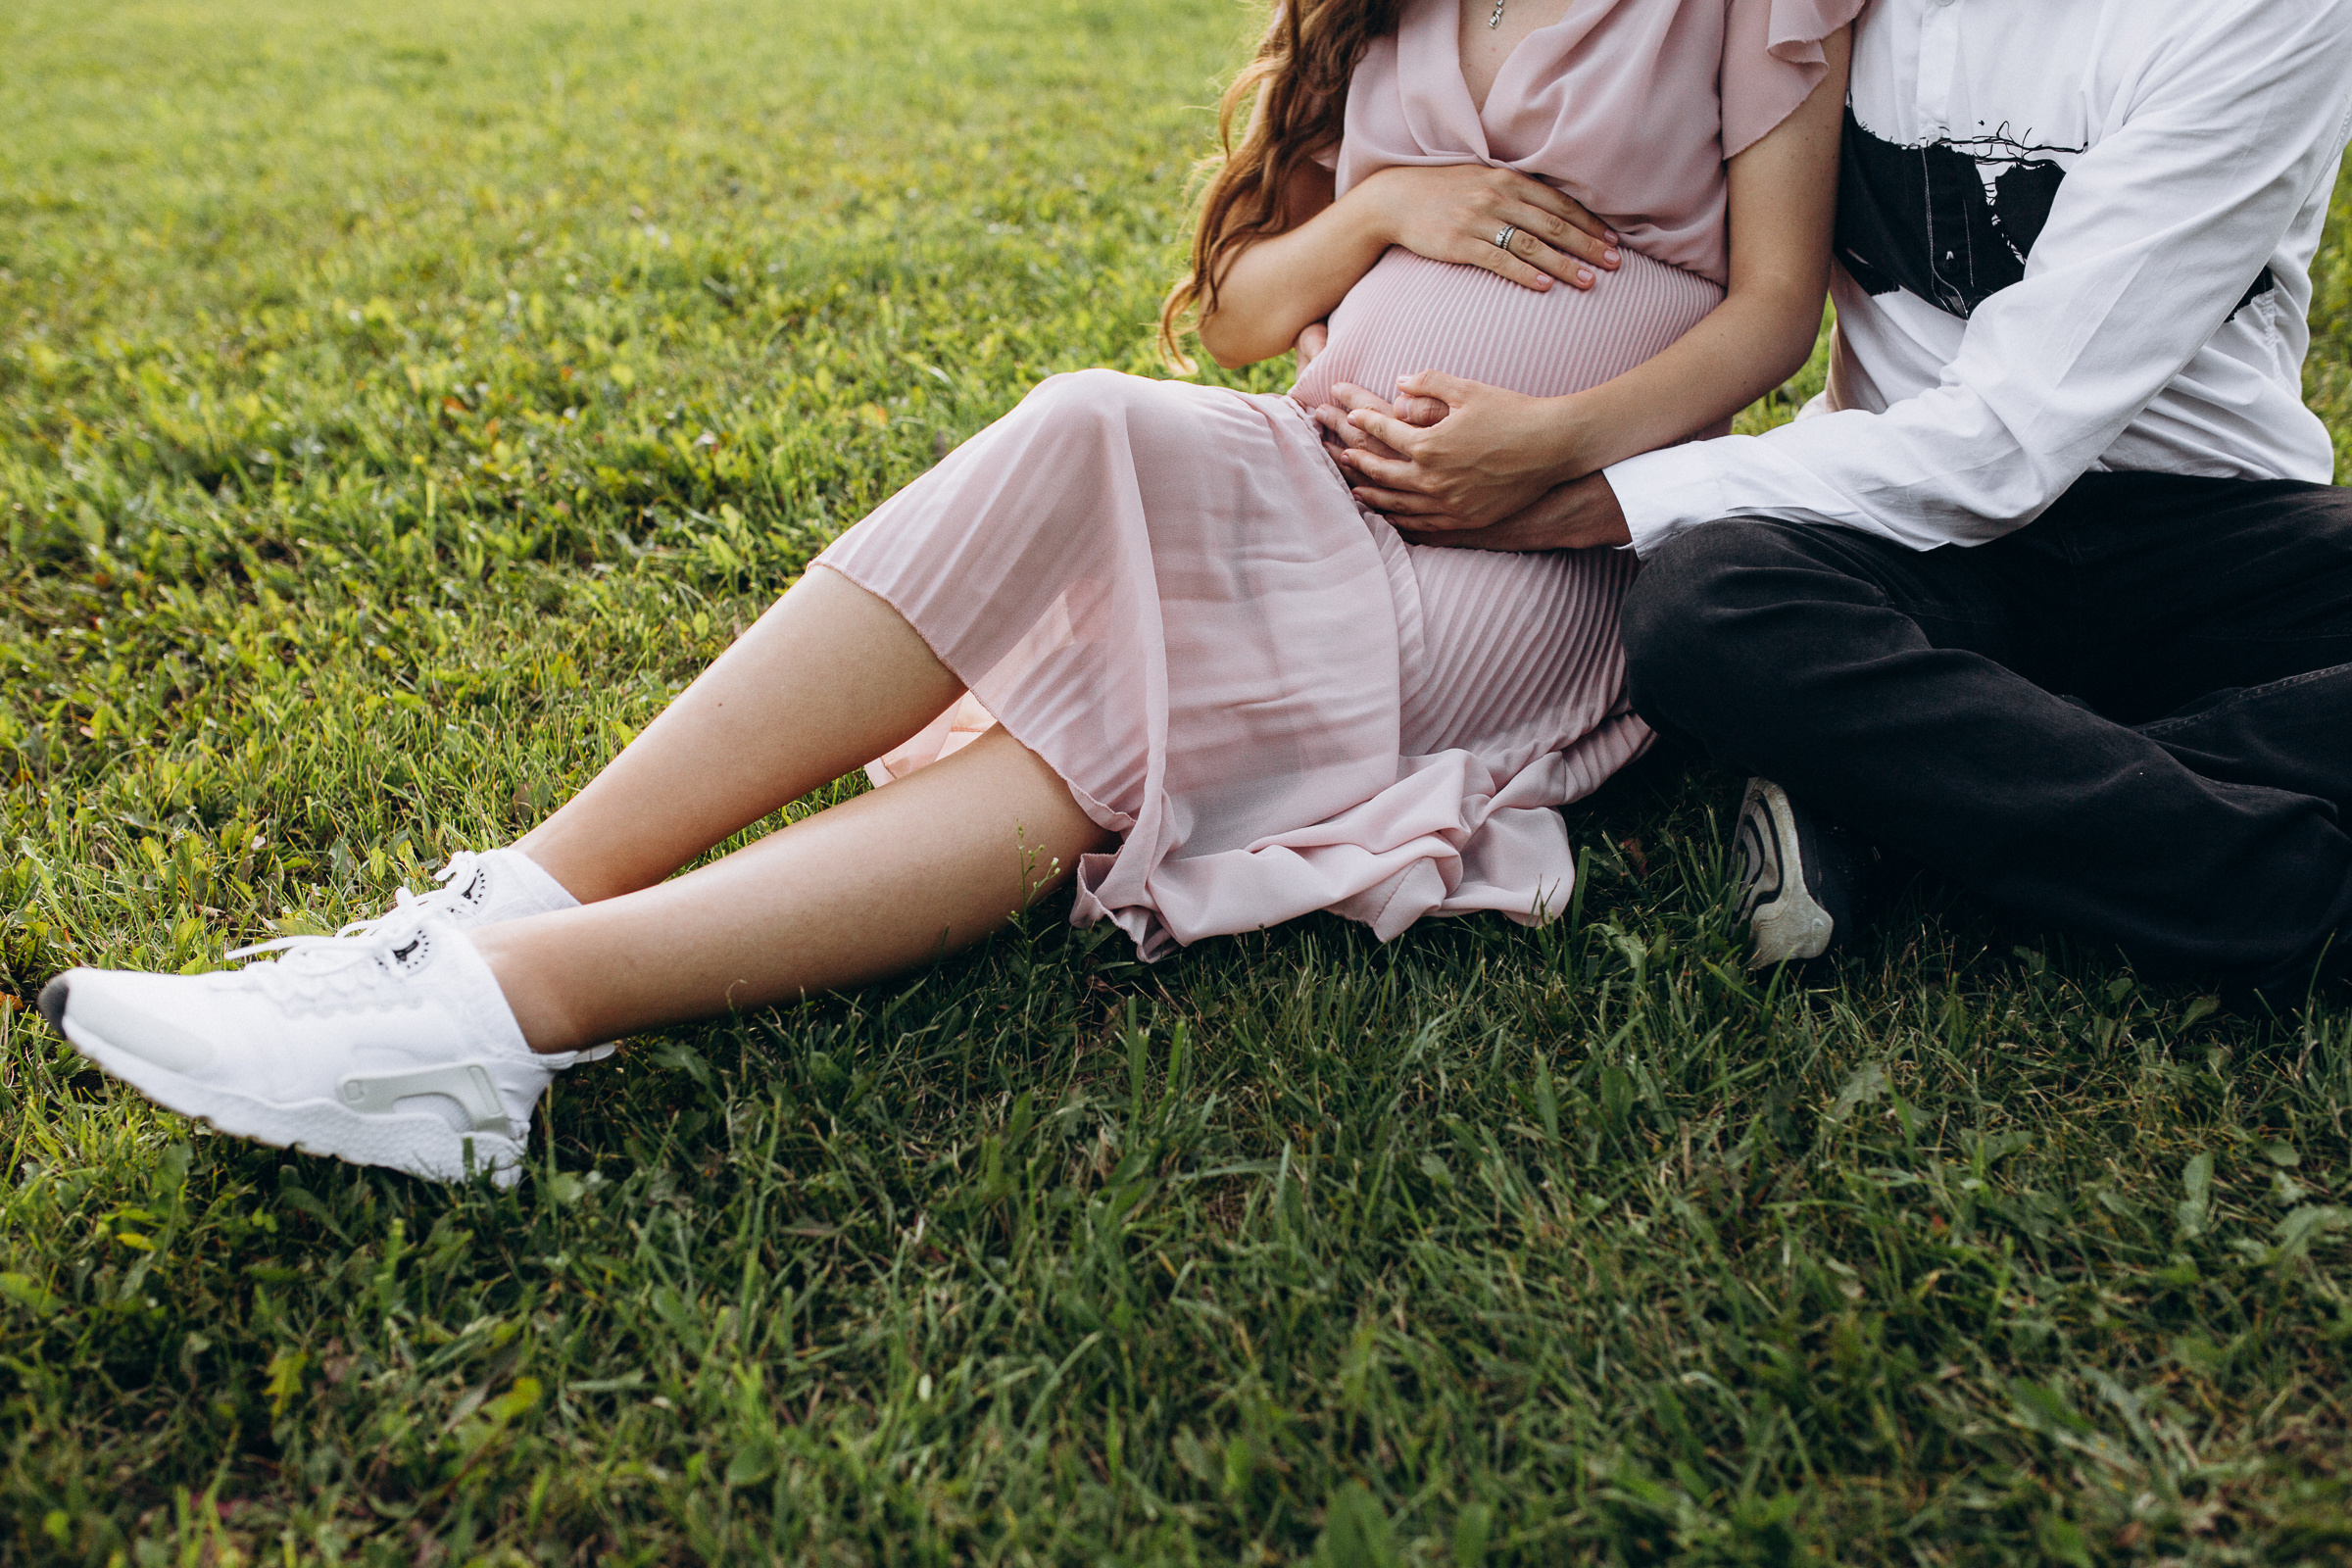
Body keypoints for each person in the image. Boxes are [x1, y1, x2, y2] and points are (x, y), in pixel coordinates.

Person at [38, 0, 1857, 1185]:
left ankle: (491, 995)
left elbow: (1774, 317)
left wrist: (1546, 446)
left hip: (1541, 555)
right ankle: (490, 955)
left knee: (1117, 579)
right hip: (1323, 458)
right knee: (1101, 511)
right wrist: (1394, 212)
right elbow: (1238, 311)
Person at [1318, 0, 2352, 1006]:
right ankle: (2285, 882)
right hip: (1898, 534)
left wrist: (1594, 498)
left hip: (2209, 534)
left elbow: (2006, 441)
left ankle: (1896, 796)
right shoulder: (1827, 5)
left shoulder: (2267, 13)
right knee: (1704, 608)